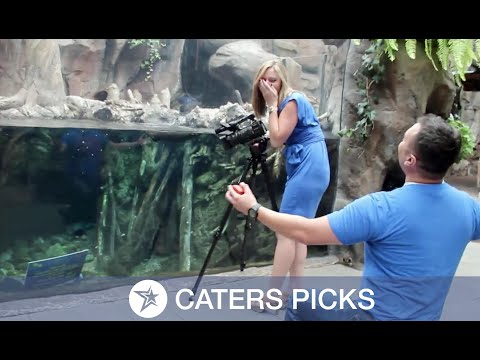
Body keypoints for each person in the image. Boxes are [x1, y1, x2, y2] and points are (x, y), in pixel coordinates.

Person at [225, 114, 480, 321]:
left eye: (404, 139)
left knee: (299, 304)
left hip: (370, 317)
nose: (400, 143)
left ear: (410, 159)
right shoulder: (468, 208)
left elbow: (306, 232)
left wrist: (253, 208)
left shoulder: (381, 208)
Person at [249, 59, 331, 310]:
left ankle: (272, 297)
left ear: (283, 80)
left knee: (285, 231)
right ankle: (296, 294)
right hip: (309, 165)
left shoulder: (292, 101)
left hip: (309, 165)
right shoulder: (287, 102)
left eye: (273, 79)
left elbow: (277, 139)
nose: (268, 85)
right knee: (297, 232)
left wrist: (272, 105)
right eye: (264, 80)